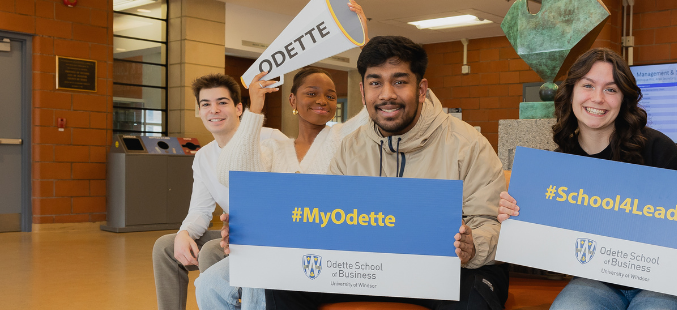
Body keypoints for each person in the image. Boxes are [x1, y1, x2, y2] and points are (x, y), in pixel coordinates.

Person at [215, 35, 509, 309]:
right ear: (363, 90)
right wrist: (251, 234)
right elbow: (326, 221)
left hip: (447, 268)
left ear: (421, 89)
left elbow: (494, 225)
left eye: (400, 82)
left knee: (476, 296)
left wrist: (473, 246)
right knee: (277, 286)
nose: (387, 94)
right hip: (371, 267)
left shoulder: (468, 144)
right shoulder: (350, 147)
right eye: (375, 83)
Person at [496, 48, 677, 310]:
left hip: (666, 282)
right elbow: (545, 241)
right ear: (572, 92)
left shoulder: (657, 148)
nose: (597, 98)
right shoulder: (559, 163)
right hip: (597, 282)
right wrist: (517, 217)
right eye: (588, 85)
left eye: (611, 89)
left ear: (623, 99)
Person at [193, 65, 371, 309]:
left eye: (330, 96)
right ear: (292, 99)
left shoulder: (341, 137)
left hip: (322, 252)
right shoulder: (274, 150)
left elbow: (371, 117)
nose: (322, 100)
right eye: (311, 93)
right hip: (272, 247)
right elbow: (231, 174)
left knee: (258, 280)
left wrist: (369, 95)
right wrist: (254, 110)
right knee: (209, 284)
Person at [152, 73, 288, 310]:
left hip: (269, 238)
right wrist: (184, 233)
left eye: (222, 102)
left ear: (238, 108)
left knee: (211, 249)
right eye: (206, 104)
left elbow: (289, 198)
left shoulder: (271, 139)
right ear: (199, 111)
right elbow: (201, 210)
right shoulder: (204, 156)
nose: (213, 110)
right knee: (166, 246)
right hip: (232, 234)